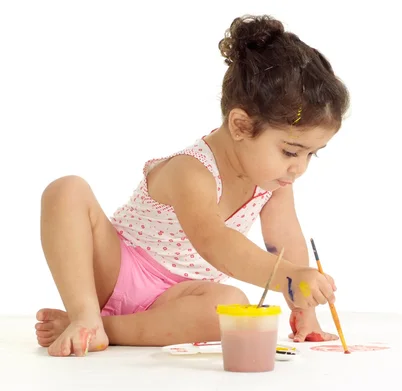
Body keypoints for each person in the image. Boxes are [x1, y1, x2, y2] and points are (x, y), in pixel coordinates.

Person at [34, 14, 350, 357]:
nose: (299, 168)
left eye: (311, 155)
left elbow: (285, 241)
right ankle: (84, 313)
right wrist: (288, 278)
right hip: (116, 269)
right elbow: (213, 241)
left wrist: (304, 308)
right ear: (241, 125)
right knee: (66, 190)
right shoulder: (193, 171)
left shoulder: (273, 181)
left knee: (231, 306)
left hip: (180, 299)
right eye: (291, 151)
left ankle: (101, 328)